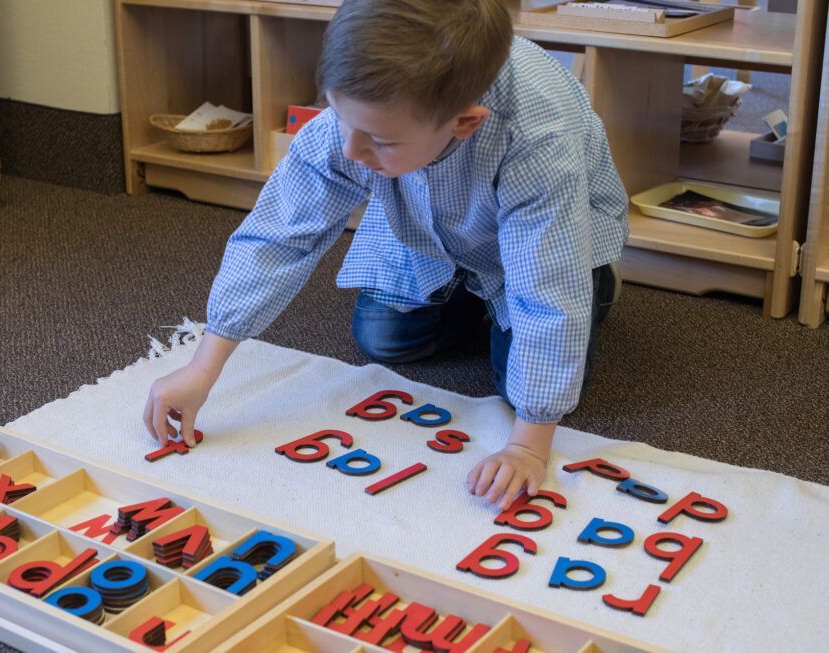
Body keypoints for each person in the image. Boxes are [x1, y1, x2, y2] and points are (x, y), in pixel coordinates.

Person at [143, 0, 628, 511]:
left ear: (464, 123)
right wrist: (205, 364)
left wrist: (527, 447)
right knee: (383, 338)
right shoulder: (365, 117)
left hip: (544, 250)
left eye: (377, 139)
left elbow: (547, 285)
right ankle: (471, 295)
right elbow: (280, 232)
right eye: (340, 118)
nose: (351, 150)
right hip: (427, 223)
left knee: (523, 389)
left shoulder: (537, 137)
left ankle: (591, 286)